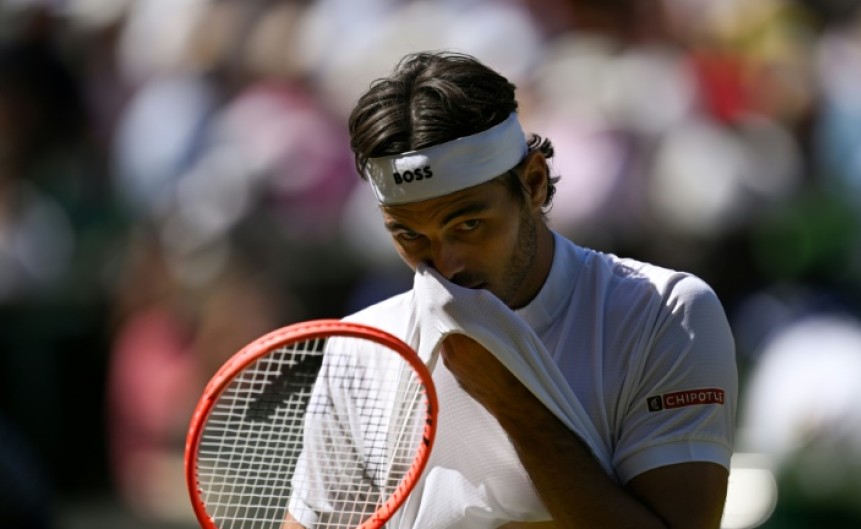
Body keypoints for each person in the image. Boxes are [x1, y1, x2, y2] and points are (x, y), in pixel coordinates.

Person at [284, 51, 737, 529]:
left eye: (470, 224)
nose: (446, 264)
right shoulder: (361, 344)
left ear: (534, 184)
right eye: (409, 235)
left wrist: (511, 402)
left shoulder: (666, 312)